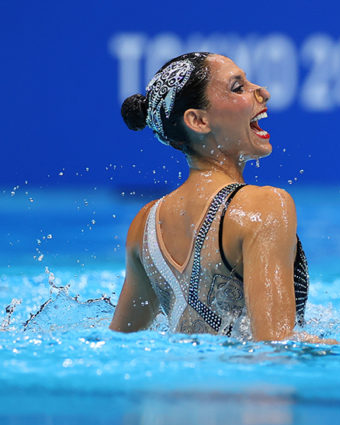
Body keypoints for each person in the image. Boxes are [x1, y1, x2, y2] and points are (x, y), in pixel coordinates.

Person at [110, 52, 312, 342]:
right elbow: (274, 346)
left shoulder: (145, 225)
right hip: (241, 384)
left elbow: (119, 344)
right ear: (198, 120)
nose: (263, 92)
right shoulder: (265, 206)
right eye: (238, 88)